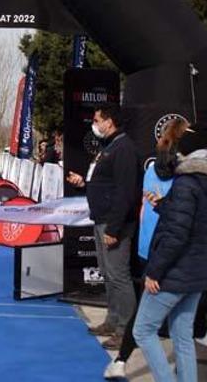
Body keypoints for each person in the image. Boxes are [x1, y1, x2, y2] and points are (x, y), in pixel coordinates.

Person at [131, 124, 207, 382]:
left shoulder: (187, 183)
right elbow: (191, 220)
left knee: (143, 330)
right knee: (182, 337)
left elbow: (177, 235)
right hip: (197, 270)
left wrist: (155, 271)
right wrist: (165, 205)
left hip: (176, 271)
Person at [104, 117, 190, 379]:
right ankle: (124, 360)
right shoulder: (185, 174)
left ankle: (122, 360)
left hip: (149, 244)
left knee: (160, 316)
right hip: (167, 246)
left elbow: (145, 205)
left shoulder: (153, 169)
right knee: (166, 322)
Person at [66, 103, 141, 349]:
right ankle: (113, 320)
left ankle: (126, 332)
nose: (94, 124)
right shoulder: (110, 147)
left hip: (113, 223)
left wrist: (114, 229)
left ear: (109, 122)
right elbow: (106, 184)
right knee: (108, 274)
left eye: (97, 120)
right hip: (102, 219)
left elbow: (125, 192)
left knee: (119, 276)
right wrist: (84, 184)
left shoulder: (124, 148)